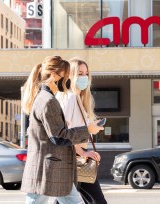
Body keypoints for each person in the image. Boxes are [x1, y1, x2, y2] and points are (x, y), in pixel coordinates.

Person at [20, 56, 104, 204]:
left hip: (56, 166)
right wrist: (88, 130)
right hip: (49, 167)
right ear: (54, 76)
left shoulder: (47, 98)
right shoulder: (48, 101)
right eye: (66, 76)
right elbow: (58, 137)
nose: (68, 81)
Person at [56, 58, 107, 204]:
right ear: (70, 75)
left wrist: (91, 128)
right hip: (75, 158)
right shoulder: (70, 97)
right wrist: (83, 152)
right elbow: (64, 132)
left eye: (86, 73)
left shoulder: (77, 98)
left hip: (75, 158)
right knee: (97, 201)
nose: (84, 77)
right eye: (80, 73)